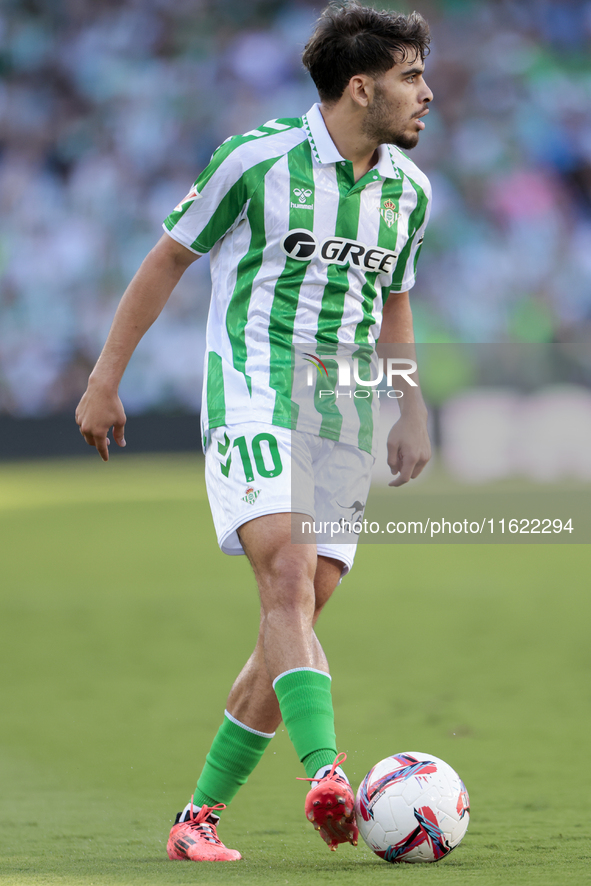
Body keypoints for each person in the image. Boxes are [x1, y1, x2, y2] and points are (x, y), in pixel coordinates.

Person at [75, 1, 433, 863]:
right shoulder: (255, 159)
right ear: (361, 85)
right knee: (284, 580)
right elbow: (168, 257)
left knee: (304, 607)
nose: (427, 92)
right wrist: (104, 377)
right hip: (252, 392)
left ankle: (197, 818)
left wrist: (410, 406)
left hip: (343, 415)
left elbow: (393, 302)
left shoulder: (408, 192)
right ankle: (327, 773)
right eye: (411, 75)